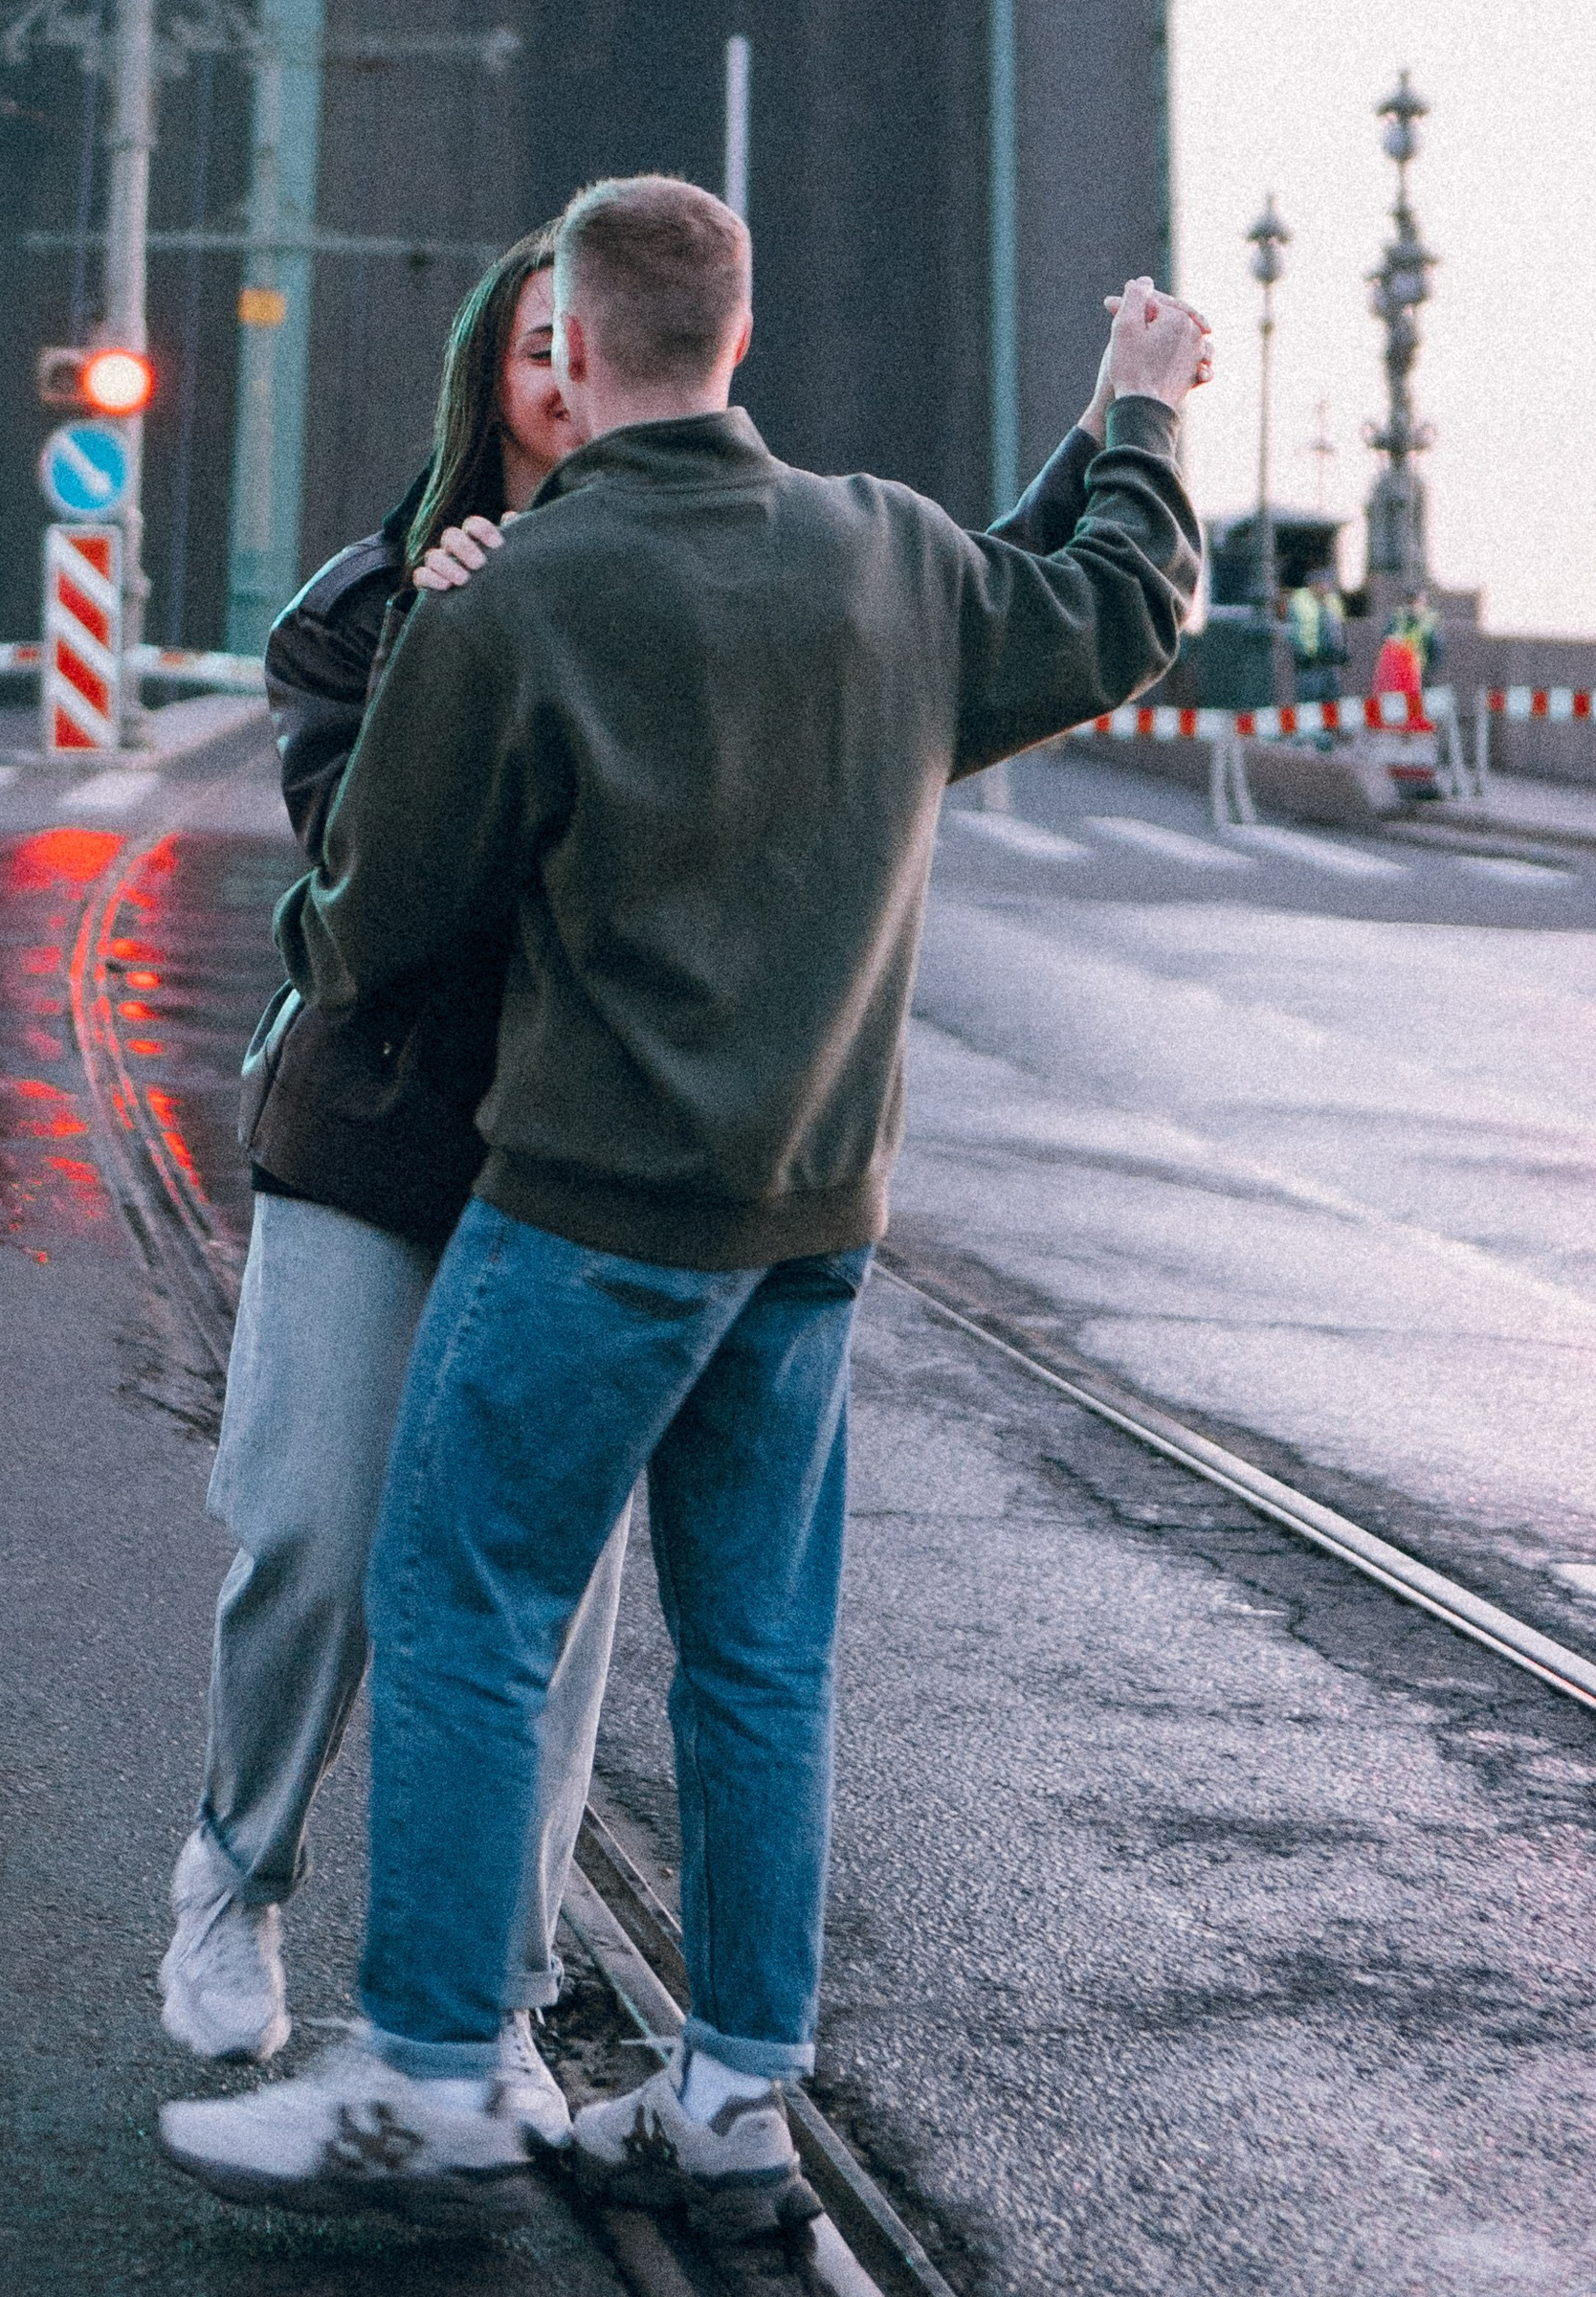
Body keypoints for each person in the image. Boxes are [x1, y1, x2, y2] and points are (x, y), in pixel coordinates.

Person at [161, 179, 1205, 2236]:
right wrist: (1136, 413)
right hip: (805, 1227)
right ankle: (733, 2098)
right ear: (739, 337)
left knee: (466, 1607)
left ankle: (431, 2073)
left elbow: (364, 924)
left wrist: (442, 692)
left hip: (590, 1214)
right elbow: (1100, 605)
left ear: (573, 334)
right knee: (755, 1660)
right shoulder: (887, 549)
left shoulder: (516, 601)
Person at [158, 231, 623, 2150]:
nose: (568, 383)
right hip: (376, 1131)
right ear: (483, 379)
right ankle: (232, 1870)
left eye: (597, 349)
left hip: (584, 1161)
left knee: (547, 1603)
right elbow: (363, 898)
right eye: (536, 351)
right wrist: (449, 655)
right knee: (316, 1541)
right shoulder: (356, 615)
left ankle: (494, 1996)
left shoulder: (685, 611)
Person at [1288, 564, 1347, 704]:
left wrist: (1342, 650)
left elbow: (1339, 628)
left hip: (1330, 663)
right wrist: (1302, 652)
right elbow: (1293, 632)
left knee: (1332, 702)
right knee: (1310, 704)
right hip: (1309, 665)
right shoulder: (1299, 602)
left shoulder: (1333, 601)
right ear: (1313, 586)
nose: (1326, 588)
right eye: (1323, 584)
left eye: (1327, 584)